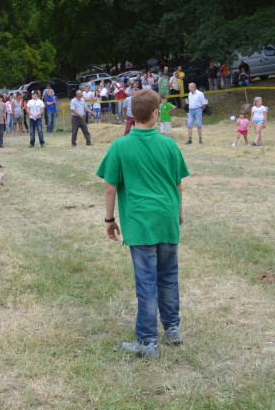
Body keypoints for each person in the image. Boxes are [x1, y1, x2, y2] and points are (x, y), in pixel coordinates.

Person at [98, 89, 189, 359]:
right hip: (166, 219)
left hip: (140, 223)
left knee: (147, 282)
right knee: (168, 276)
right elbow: (178, 184)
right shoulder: (169, 145)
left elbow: (110, 187)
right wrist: (179, 213)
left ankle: (148, 343)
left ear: (132, 114)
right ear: (155, 114)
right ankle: (172, 329)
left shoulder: (120, 146)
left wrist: (109, 219)